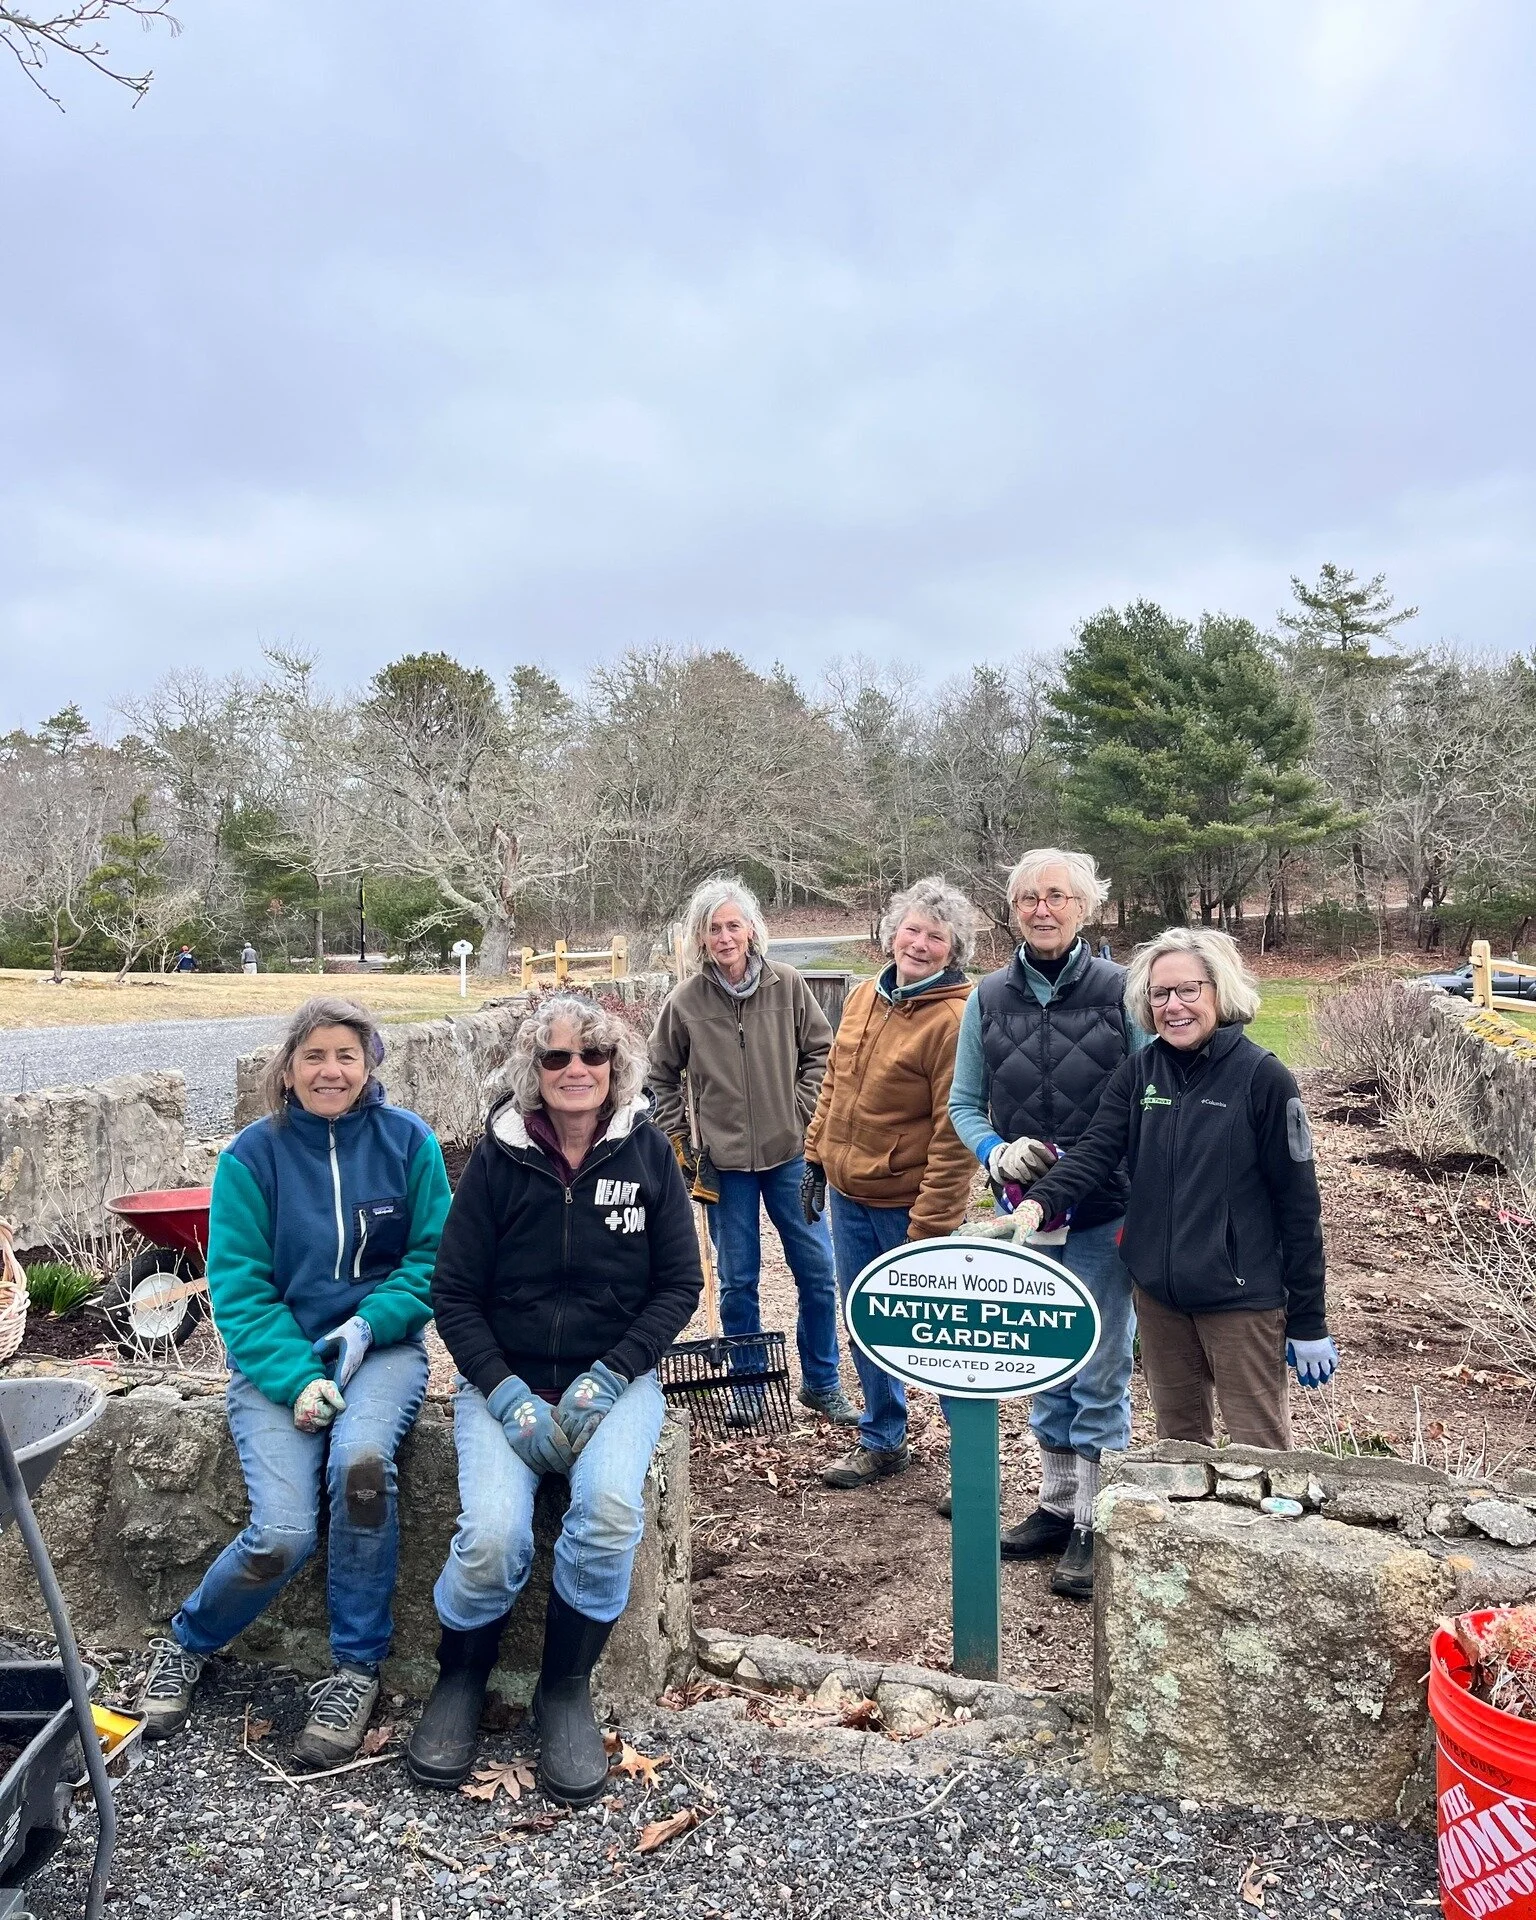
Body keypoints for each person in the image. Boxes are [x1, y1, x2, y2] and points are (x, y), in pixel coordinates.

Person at [135, 996, 451, 1767]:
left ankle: (354, 1669)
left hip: (380, 1350)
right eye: (314, 1056)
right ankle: (189, 1639)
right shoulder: (252, 1156)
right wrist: (294, 1377)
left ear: (369, 1064)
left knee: (362, 1470)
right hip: (276, 1361)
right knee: (283, 1531)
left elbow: (433, 1257)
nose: (330, 1070)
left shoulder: (409, 1143)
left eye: (346, 1055)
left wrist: (370, 1324)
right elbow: (239, 1286)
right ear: (288, 1067)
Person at [409, 994, 702, 1804]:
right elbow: (454, 1293)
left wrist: (612, 1372)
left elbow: (680, 1283)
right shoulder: (498, 1161)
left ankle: (565, 1687)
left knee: (607, 1512)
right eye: (557, 1059)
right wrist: (503, 1394)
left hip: (615, 1379)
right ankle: (460, 1680)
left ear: (617, 1067)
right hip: (505, 1381)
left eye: (594, 1056)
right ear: (531, 1073)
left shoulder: (647, 1155)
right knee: (494, 1536)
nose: (578, 1071)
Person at [1013, 927, 1333, 1451]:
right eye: (1159, 994)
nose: (1174, 1006)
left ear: (1219, 990)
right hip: (1159, 1300)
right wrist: (1033, 1207)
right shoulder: (1138, 1074)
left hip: (1241, 1301)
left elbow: (1299, 1207)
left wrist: (1308, 1319)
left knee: (1262, 1454)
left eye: (1189, 990)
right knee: (1179, 1448)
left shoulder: (1263, 1078)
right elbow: (1095, 1152)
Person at [947, 847, 1148, 1599]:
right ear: (1012, 908)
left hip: (1104, 1207)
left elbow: (1141, 1099)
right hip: (1025, 1220)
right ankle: (1058, 1505)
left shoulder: (1120, 992)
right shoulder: (988, 998)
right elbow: (964, 1102)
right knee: (1043, 1358)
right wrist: (996, 1152)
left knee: (1098, 1363)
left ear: (1084, 905)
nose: (1041, 908)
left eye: (1056, 895)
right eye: (1028, 896)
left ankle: (1098, 1521)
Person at [648, 877, 856, 1425]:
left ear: (751, 931)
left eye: (732, 926)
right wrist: (680, 1139)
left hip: (791, 1155)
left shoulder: (786, 985)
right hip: (723, 1166)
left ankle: (822, 1381)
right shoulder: (686, 1001)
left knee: (817, 1270)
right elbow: (660, 1076)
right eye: (713, 929)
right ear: (701, 938)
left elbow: (821, 1053)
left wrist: (802, 1111)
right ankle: (747, 1386)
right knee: (738, 1279)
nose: (724, 937)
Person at [802, 877, 978, 1491]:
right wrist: (814, 1154)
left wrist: (931, 1222)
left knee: (942, 1335)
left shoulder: (955, 1019)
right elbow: (835, 1083)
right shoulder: (864, 996)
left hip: (909, 1204)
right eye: (912, 929)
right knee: (869, 1321)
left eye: (936, 935)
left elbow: (956, 1133)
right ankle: (883, 1439)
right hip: (852, 1197)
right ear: (892, 931)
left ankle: (972, 1463)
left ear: (954, 949)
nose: (920, 943)